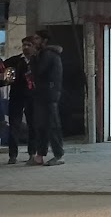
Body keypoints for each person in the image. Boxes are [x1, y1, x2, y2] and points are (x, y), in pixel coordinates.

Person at [29, 30, 65, 166]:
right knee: (41, 125)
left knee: (52, 125)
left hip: (49, 95)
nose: (34, 41)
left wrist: (33, 57)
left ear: (44, 41)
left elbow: (38, 71)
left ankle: (59, 155)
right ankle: (40, 155)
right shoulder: (42, 54)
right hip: (41, 94)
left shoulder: (48, 55)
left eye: (37, 38)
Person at [2, 37, 37, 165]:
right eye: (24, 45)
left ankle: (32, 153)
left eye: (29, 45)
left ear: (34, 46)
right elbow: (3, 68)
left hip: (32, 96)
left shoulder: (37, 60)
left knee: (33, 125)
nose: (26, 47)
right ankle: (13, 155)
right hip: (16, 96)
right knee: (14, 125)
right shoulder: (15, 60)